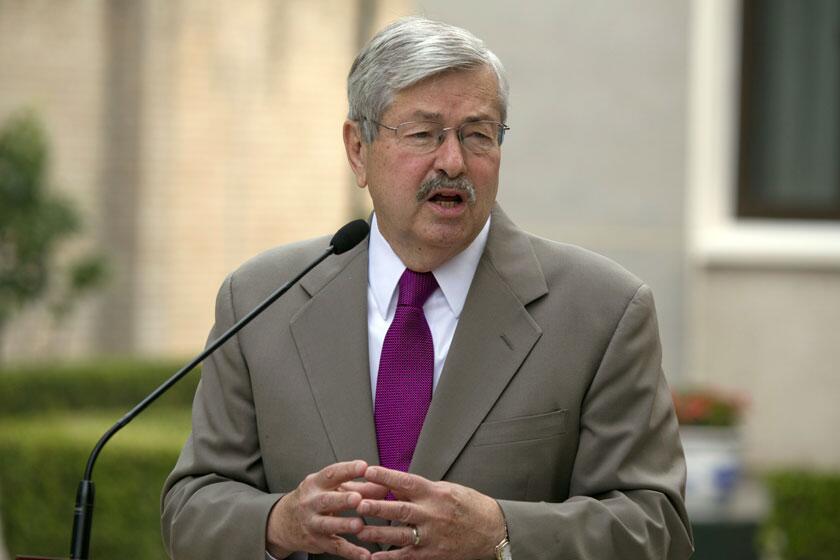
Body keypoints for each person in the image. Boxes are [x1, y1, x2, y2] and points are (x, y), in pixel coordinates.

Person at [162, 17, 693, 560]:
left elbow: (657, 528)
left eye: (478, 134)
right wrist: (280, 522)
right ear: (357, 149)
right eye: (423, 134)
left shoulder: (602, 311)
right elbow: (192, 509)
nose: (454, 161)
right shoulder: (258, 300)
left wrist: (502, 532)